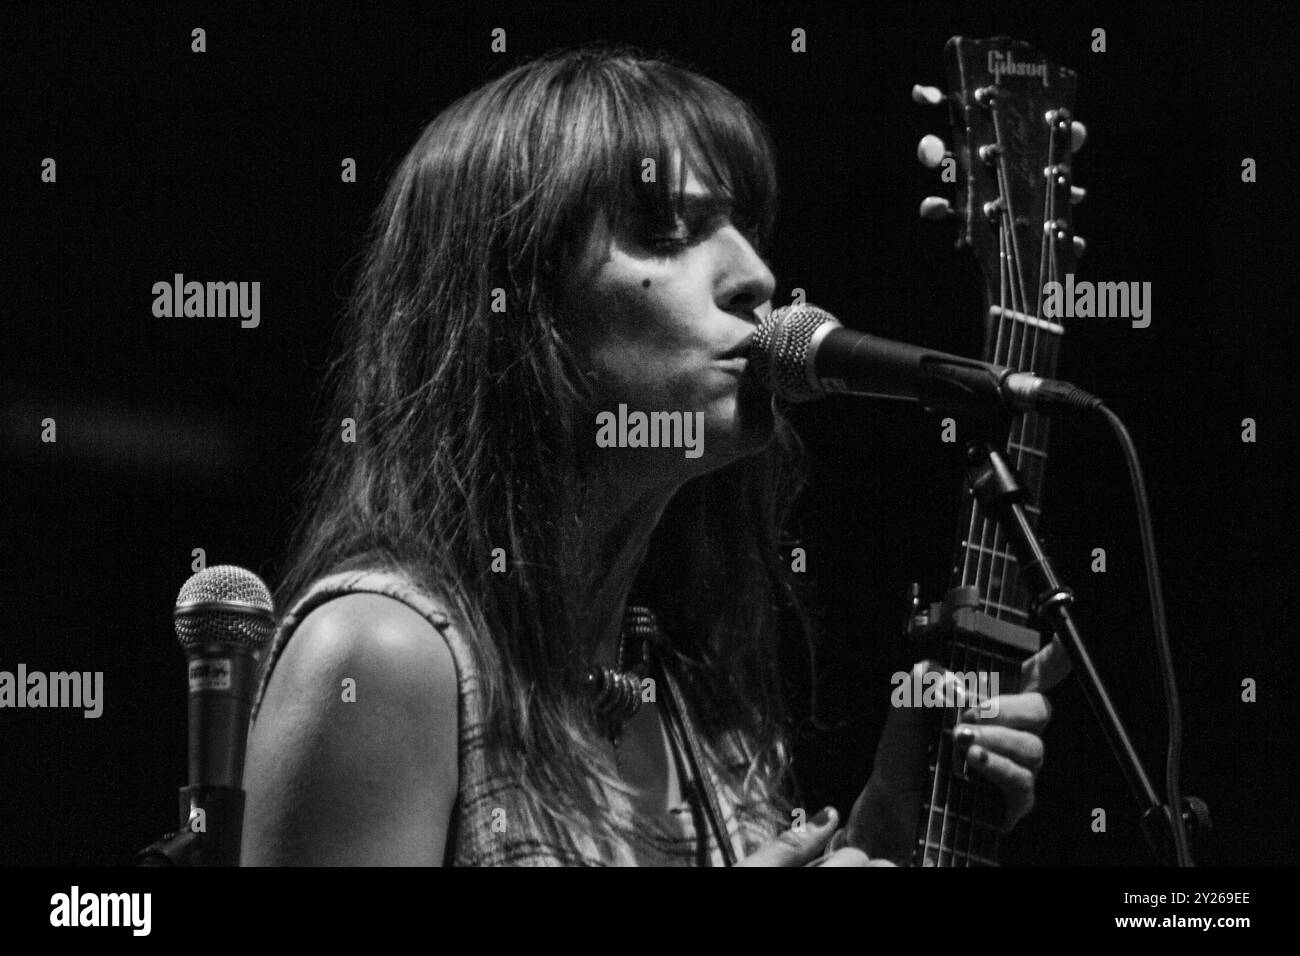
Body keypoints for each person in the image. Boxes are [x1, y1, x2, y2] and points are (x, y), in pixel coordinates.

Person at [241, 43, 1063, 867]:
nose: (756, 275)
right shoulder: (382, 656)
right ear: (518, 309)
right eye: (668, 231)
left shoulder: (686, 681)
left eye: (744, 228)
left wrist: (891, 823)